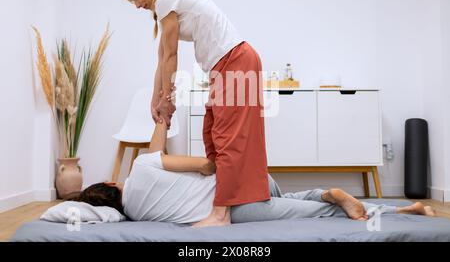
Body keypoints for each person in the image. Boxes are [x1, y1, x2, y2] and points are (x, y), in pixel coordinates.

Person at [121, 0, 270, 227]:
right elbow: (161, 57)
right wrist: (156, 99)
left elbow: (171, 57)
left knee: (227, 139)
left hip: (235, 61)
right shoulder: (165, 7)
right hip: (224, 66)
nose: (136, 5)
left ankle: (221, 214)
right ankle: (223, 195)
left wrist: (167, 101)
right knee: (212, 132)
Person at [76, 120, 435, 224]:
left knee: (320, 209)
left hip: (245, 206)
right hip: (250, 186)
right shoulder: (141, 166)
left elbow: (156, 152)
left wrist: (161, 122)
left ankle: (334, 198)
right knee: (305, 201)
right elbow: (203, 164)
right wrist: (163, 120)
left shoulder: (138, 215)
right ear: (112, 181)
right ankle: (403, 208)